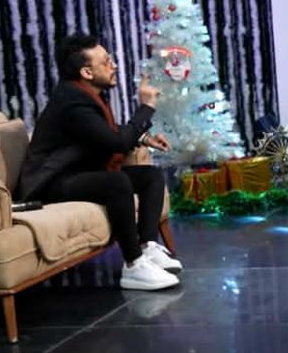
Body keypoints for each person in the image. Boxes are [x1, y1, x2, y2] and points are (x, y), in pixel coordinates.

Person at [18, 35, 181, 291]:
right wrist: (146, 107)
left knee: (150, 176)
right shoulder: (72, 101)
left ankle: (147, 246)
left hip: (76, 173)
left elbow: (104, 132)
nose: (114, 65)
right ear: (87, 72)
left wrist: (144, 138)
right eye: (106, 62)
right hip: (51, 184)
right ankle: (133, 265)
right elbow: (115, 142)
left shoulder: (84, 94)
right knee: (117, 182)